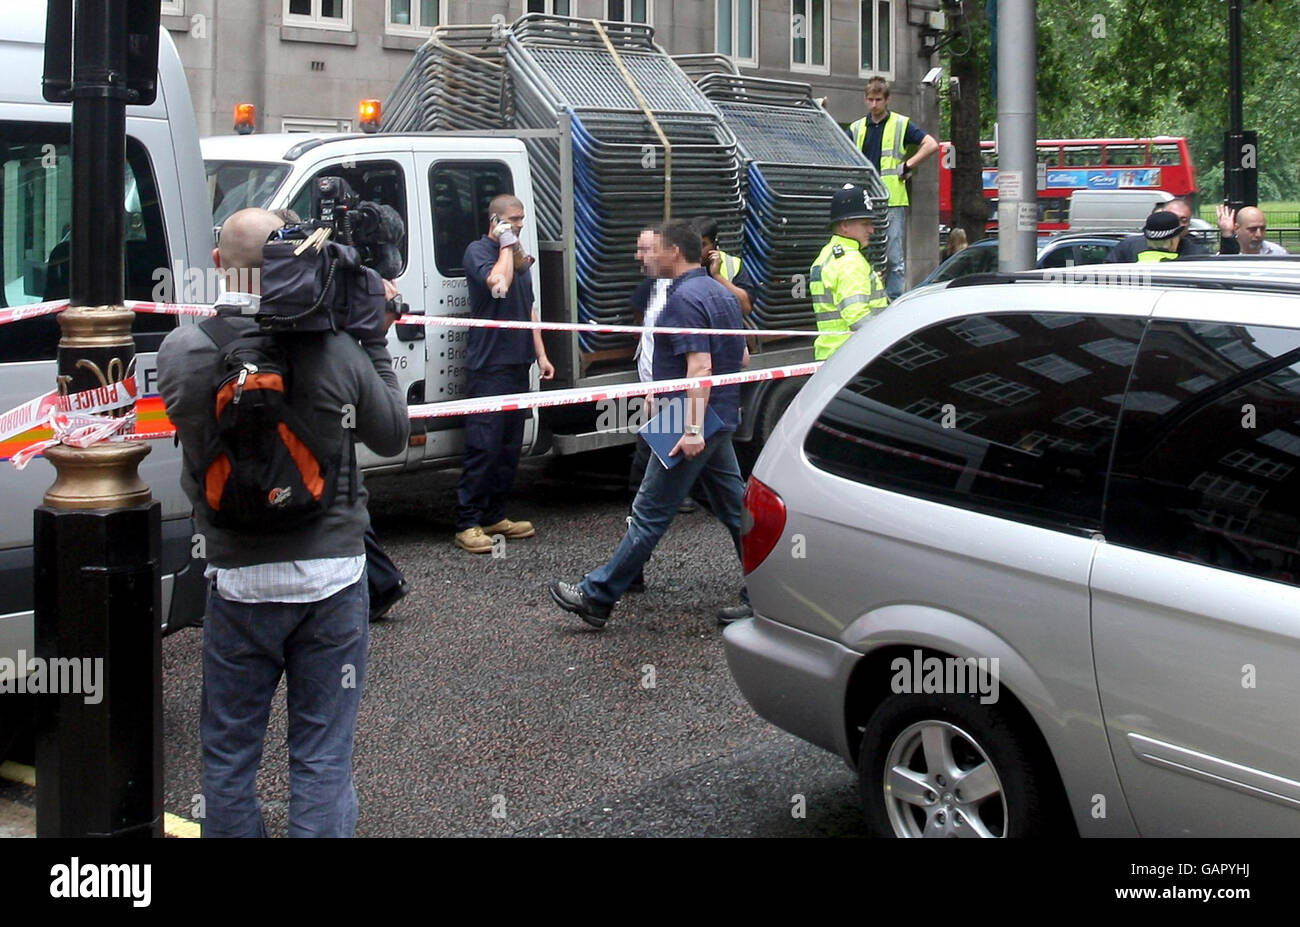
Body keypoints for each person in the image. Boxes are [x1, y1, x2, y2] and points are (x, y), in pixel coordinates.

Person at [156, 207, 409, 837]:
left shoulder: (184, 350)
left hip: (238, 580)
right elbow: (394, 435)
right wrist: (372, 337)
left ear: (219, 264)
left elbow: (194, 449)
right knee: (321, 758)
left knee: (229, 756)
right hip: (332, 577)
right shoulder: (335, 349)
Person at [548, 220, 750, 629]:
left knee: (649, 512)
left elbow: (701, 366)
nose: (641, 257)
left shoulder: (684, 300)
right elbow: (741, 358)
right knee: (737, 510)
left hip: (689, 418)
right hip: (718, 414)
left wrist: (691, 429)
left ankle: (597, 596)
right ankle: (771, 590)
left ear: (674, 252)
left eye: (648, 250)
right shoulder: (719, 294)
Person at [454, 194, 555, 553]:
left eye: (522, 219)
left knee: (509, 446)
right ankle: (467, 522)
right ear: (495, 222)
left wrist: (541, 354)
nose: (519, 225)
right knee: (484, 444)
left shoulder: (519, 260)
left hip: (517, 363)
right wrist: (505, 246)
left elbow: (529, 310)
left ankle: (495, 515)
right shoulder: (479, 252)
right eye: (512, 220)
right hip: (490, 365)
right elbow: (499, 285)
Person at [848, 76, 939, 299]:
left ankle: (894, 300)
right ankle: (868, 297)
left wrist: (908, 165)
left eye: (878, 99)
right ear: (865, 99)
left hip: (891, 200)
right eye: (870, 99)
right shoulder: (856, 127)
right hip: (865, 201)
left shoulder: (900, 124)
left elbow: (931, 144)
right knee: (864, 253)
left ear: (887, 99)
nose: (873, 104)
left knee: (893, 257)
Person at [810, 184, 891, 360]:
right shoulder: (850, 262)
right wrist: (889, 342)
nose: (871, 230)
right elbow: (858, 318)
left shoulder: (827, 255)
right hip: (852, 358)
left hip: (831, 354)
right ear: (845, 226)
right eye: (865, 224)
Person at [1106, 199, 1237, 262]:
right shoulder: (1128, 246)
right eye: (1172, 218)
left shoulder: (1197, 253)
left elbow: (1222, 268)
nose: (1179, 224)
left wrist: (1227, 234)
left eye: (1184, 220)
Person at [690, 217, 756, 317]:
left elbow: (745, 308)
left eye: (703, 245)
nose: (698, 250)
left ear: (715, 244)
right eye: (694, 244)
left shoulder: (732, 264)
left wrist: (718, 277)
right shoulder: (682, 262)